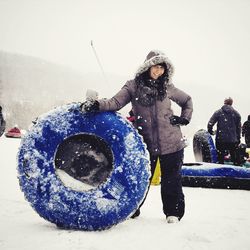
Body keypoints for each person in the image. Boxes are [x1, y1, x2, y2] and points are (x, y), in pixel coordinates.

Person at [81, 50, 193, 223]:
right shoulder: (133, 86)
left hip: (172, 141)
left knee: (172, 180)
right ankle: (132, 208)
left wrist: (184, 118)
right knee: (139, 178)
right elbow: (115, 103)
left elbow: (187, 101)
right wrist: (97, 105)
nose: (158, 71)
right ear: (147, 66)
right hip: (145, 143)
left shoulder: (167, 87)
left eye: (162, 68)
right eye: (156, 67)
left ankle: (173, 213)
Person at [207, 97, 241, 165]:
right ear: (232, 103)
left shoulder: (218, 112)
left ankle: (221, 171)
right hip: (232, 140)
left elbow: (210, 123)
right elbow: (238, 128)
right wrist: (238, 138)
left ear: (224, 102)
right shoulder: (236, 114)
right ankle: (235, 172)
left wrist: (211, 131)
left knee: (220, 158)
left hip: (221, 139)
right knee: (234, 158)